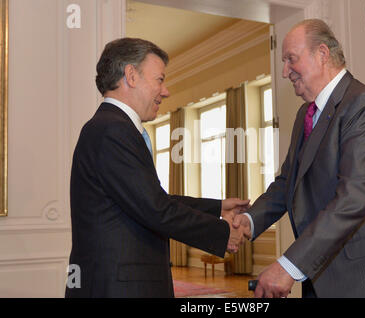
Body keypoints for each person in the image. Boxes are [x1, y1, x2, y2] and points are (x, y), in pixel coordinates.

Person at [233, 19, 365, 298]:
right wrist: (250, 221)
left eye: (291, 59)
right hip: (322, 271)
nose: (284, 71)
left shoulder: (364, 104)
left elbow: (354, 196)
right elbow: (287, 183)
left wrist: (289, 266)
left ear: (322, 54)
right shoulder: (305, 115)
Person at [66, 38, 249, 298]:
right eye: (159, 79)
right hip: (118, 288)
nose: (165, 91)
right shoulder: (112, 130)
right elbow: (155, 208)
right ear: (131, 75)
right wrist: (222, 233)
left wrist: (217, 207)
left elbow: (150, 199)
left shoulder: (114, 127)